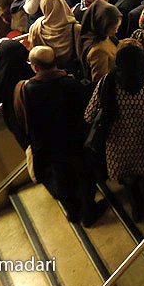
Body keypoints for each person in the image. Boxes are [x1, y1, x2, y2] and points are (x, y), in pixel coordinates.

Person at [14, 46, 99, 225]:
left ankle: (72, 212)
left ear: (35, 67)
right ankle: (89, 214)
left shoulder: (27, 89)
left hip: (49, 146)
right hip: (77, 141)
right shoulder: (72, 84)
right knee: (85, 177)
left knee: (62, 178)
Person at [85, 40, 144, 226]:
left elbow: (89, 115)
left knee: (130, 180)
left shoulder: (108, 83)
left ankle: (137, 211)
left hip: (119, 144)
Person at [28, 0, 80, 71]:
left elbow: (32, 48)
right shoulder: (75, 29)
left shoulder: (36, 26)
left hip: (43, 72)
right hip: (68, 73)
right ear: (63, 4)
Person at [79, 0, 121, 83]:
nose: (116, 32)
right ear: (102, 25)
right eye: (114, 28)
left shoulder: (103, 36)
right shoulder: (98, 51)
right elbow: (100, 82)